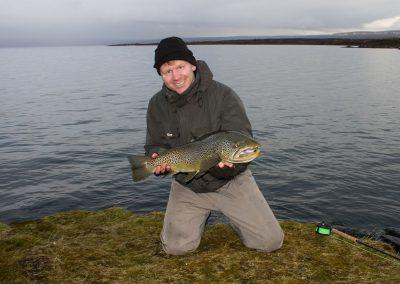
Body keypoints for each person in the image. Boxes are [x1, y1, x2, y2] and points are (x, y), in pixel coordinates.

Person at [145, 36, 284, 255]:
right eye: (167, 71)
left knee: (270, 242)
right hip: (187, 184)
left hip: (231, 182)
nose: (176, 76)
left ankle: (235, 214)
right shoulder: (156, 104)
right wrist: (156, 158)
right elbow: (154, 144)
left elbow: (242, 140)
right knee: (175, 249)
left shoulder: (224, 95)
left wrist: (229, 168)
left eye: (180, 67)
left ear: (192, 65)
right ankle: (194, 218)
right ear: (160, 75)